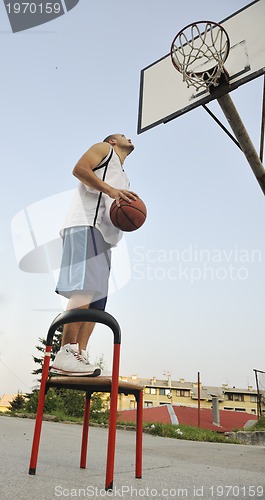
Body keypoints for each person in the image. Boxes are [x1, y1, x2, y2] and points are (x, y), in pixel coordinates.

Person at [50, 134, 137, 376]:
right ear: (112, 141)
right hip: (85, 224)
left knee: (97, 303)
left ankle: (80, 353)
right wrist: (111, 191)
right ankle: (64, 352)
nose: (127, 137)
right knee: (84, 288)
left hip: (106, 238)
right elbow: (79, 169)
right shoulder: (103, 150)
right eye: (122, 135)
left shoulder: (124, 176)